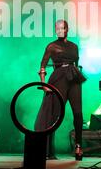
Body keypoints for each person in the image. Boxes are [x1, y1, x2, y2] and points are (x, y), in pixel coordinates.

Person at [34, 20, 86, 161]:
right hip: (59, 78)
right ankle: (48, 150)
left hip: (73, 78)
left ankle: (78, 146)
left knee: (78, 113)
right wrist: (44, 84)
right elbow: (42, 66)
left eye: (61, 28)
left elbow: (77, 64)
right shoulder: (52, 46)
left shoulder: (74, 46)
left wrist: (77, 73)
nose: (59, 30)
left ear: (67, 29)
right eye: (56, 28)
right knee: (55, 115)